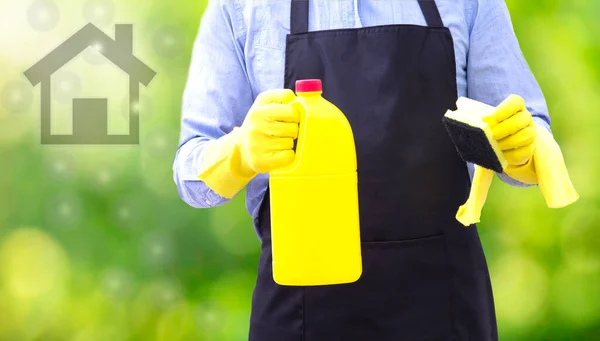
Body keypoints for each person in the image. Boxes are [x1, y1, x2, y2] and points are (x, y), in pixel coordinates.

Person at [173, 1, 552, 340]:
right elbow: (191, 174)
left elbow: (529, 136)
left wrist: (519, 149)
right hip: (300, 310)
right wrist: (238, 153)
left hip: (444, 305)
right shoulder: (241, 9)